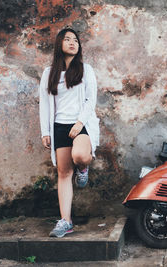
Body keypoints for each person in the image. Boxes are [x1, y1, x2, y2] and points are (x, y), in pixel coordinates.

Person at [39, 28, 99, 238]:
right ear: (59, 44)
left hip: (81, 124)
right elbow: (45, 104)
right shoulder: (49, 73)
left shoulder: (86, 70)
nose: (73, 43)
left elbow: (91, 100)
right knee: (64, 174)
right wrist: (45, 131)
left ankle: (83, 168)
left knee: (80, 155)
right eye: (67, 39)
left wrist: (79, 122)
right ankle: (66, 221)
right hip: (59, 126)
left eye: (76, 40)